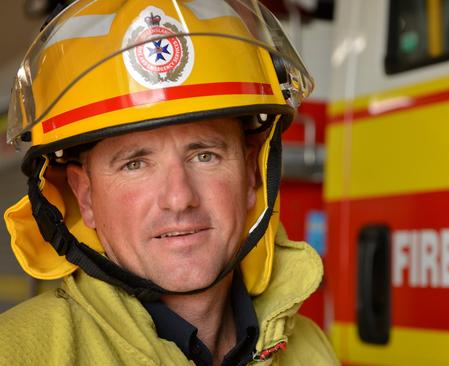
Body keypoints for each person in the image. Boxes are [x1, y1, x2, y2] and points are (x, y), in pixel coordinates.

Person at [0, 1, 338, 365]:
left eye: (204, 155)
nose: (179, 198)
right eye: (135, 164)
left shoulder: (311, 350)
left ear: (251, 171)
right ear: (86, 197)